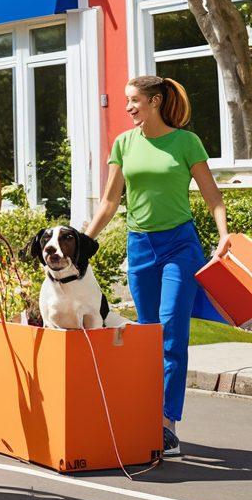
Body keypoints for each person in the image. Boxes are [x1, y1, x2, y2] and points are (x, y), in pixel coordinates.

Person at [84, 75, 230, 458]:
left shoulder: (186, 142)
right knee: (147, 338)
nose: (129, 107)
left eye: (134, 100)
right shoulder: (123, 144)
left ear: (155, 102)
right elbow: (110, 202)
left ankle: (167, 424)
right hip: (141, 247)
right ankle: (146, 417)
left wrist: (223, 235)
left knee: (171, 333)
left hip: (180, 246)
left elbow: (213, 197)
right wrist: (84, 240)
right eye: (126, 100)